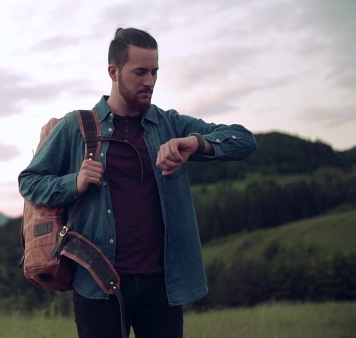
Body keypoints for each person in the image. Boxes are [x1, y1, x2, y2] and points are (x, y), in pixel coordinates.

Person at [18, 27, 257, 338]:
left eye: (155, 72)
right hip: (98, 283)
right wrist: (73, 182)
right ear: (114, 72)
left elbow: (244, 140)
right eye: (141, 72)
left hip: (161, 286)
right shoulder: (75, 127)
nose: (150, 82)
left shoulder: (168, 124)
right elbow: (30, 181)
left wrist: (196, 143)